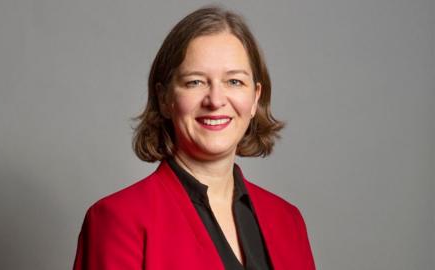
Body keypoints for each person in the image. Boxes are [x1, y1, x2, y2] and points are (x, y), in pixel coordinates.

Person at [73, 6, 315, 270]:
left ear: (256, 97)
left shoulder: (288, 220)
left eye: (234, 81)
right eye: (195, 82)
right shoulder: (117, 220)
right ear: (164, 98)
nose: (216, 100)